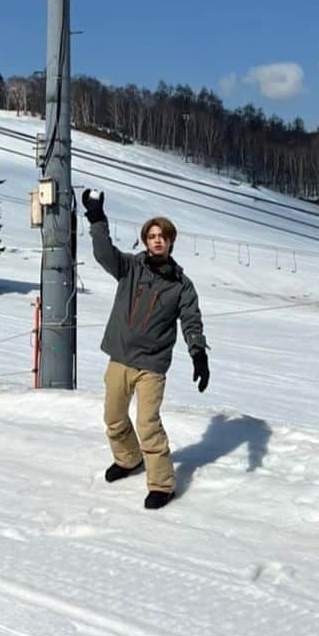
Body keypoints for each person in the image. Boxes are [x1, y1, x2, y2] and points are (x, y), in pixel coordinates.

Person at [82, 188, 209, 510]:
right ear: (145, 240)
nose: (157, 240)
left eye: (162, 237)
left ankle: (162, 485)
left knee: (148, 425)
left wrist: (199, 353)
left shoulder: (181, 285)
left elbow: (191, 321)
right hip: (120, 358)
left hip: (151, 365)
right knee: (113, 417)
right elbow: (102, 252)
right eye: (152, 236)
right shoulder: (130, 268)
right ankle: (128, 459)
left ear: (170, 242)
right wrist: (97, 217)